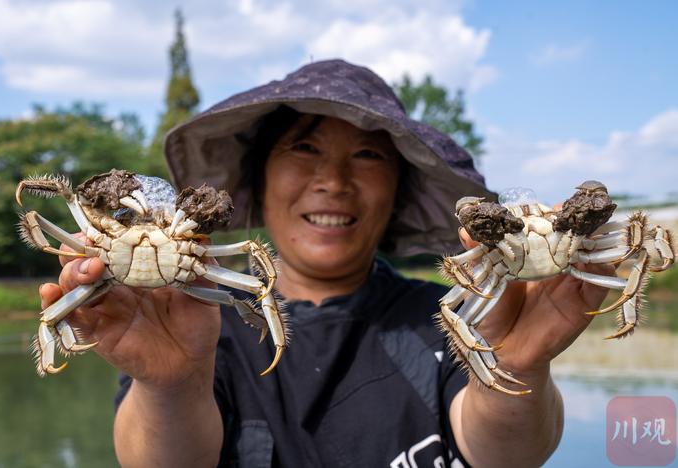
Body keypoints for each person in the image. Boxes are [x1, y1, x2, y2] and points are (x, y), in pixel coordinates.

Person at [39, 60, 611, 467]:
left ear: (399, 192)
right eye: (304, 149)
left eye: (366, 156)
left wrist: (516, 371)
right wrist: (172, 385)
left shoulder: (450, 313)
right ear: (258, 183)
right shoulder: (193, 317)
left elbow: (505, 455)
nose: (333, 182)